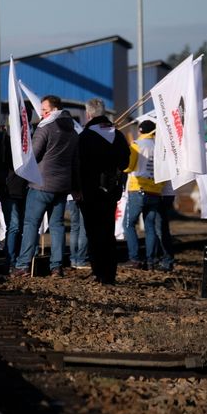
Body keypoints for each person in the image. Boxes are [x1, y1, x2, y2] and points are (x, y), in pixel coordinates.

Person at [14, 96, 79, 277]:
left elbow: (33, 155)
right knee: (57, 225)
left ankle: (23, 265)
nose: (41, 113)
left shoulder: (45, 128)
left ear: (54, 109)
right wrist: (76, 187)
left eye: (45, 110)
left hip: (41, 184)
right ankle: (56, 267)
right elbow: (76, 162)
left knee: (31, 224)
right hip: (62, 186)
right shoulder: (73, 132)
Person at [77, 98, 129, 285]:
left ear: (88, 114)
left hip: (90, 192)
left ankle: (98, 271)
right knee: (108, 232)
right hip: (111, 190)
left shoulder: (85, 136)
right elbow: (125, 163)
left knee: (93, 233)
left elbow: (78, 165)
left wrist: (77, 189)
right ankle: (109, 274)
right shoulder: (117, 134)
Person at [0, 124, 28, 270]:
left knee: (19, 225)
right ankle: (11, 261)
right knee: (14, 225)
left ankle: (16, 259)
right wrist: (2, 178)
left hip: (22, 187)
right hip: (8, 188)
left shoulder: (26, 137)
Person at [123, 120, 162, 269]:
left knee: (128, 224)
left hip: (137, 189)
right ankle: (151, 261)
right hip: (155, 191)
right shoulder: (160, 147)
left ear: (140, 131)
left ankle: (134, 259)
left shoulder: (137, 145)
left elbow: (128, 167)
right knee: (150, 226)